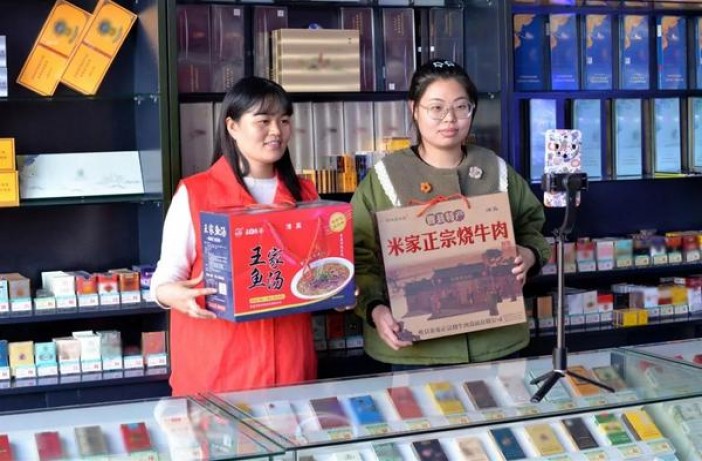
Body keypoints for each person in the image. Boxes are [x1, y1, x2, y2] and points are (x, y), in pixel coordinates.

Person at [351, 59, 550, 369]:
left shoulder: (494, 168)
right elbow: (358, 255)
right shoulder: (385, 178)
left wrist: (529, 254)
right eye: (436, 108)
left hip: (495, 342)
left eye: (461, 107)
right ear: (414, 109)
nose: (450, 119)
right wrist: (374, 308)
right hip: (415, 349)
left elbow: (531, 226)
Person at [150, 76, 318, 396]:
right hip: (217, 369)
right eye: (263, 121)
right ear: (233, 126)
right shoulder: (196, 193)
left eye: (284, 120)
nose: (276, 131)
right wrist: (172, 295)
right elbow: (167, 275)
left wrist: (338, 292)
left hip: (290, 368)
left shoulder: (307, 195)